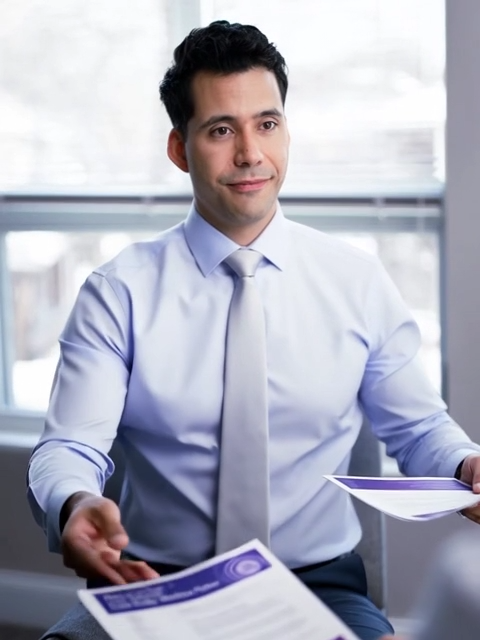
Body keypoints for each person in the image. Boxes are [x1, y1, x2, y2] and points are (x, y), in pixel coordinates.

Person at [27, 20, 480, 640]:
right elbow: (69, 448)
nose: (250, 154)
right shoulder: (118, 292)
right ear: (179, 149)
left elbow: (422, 428)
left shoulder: (357, 281)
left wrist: (464, 464)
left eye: (266, 124)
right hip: (154, 582)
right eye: (220, 130)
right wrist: (75, 503)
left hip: (316, 584)